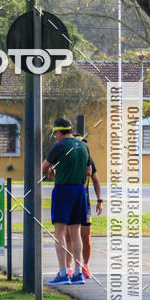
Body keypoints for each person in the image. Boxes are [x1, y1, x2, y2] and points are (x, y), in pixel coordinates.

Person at [41, 116, 91, 286]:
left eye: (55, 134)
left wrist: (53, 172)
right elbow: (89, 170)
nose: (55, 137)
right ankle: (78, 273)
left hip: (63, 190)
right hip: (80, 190)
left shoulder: (59, 146)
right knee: (76, 233)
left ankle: (63, 273)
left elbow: (44, 168)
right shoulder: (83, 146)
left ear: (59, 132)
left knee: (60, 232)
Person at [66, 137, 103, 278]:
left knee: (86, 236)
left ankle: (85, 266)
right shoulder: (66, 157)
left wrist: (100, 200)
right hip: (69, 199)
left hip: (84, 200)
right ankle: (69, 267)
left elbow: (95, 180)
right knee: (68, 235)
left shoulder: (88, 160)